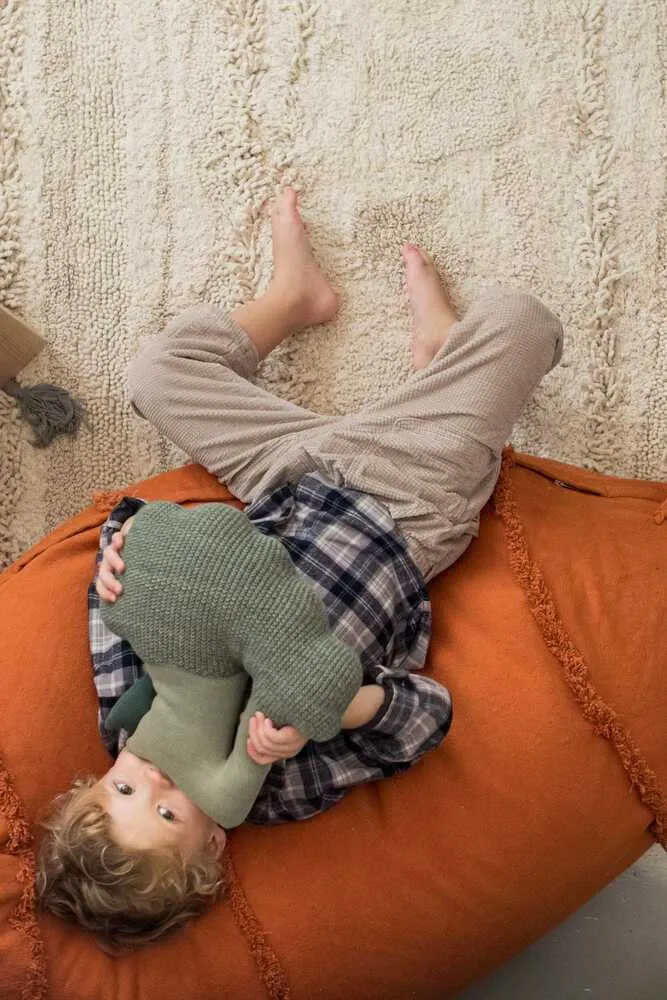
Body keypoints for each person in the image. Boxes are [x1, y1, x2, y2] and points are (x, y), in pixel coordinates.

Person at [35, 187, 563, 951]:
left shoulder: (125, 708)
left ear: (97, 779)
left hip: (282, 479)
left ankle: (291, 300)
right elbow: (424, 720)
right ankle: (442, 360)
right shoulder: (284, 783)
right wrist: (335, 706)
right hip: (405, 507)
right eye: (170, 813)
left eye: (123, 788)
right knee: (520, 321)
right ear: (214, 843)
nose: (155, 778)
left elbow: (123, 579)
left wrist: (119, 557)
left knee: (156, 373)